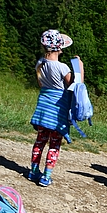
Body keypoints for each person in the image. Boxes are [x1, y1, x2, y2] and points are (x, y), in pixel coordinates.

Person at [28, 29, 83, 188]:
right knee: (54, 144)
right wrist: (80, 67)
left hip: (43, 108)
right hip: (57, 112)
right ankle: (46, 176)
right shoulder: (62, 67)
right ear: (59, 48)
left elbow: (41, 84)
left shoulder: (40, 63)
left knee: (40, 141)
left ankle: (33, 171)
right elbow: (75, 86)